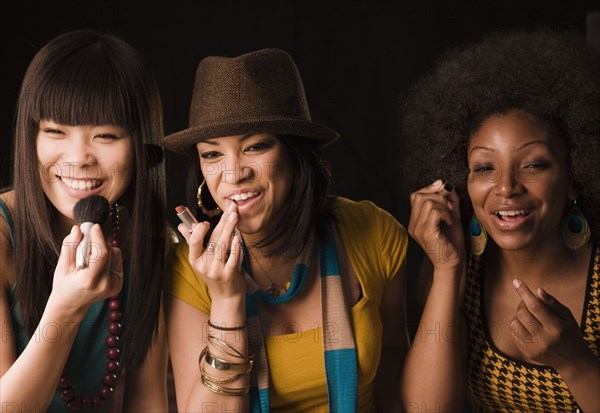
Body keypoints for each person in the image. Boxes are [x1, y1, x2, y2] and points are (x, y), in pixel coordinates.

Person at [162, 48, 408, 412]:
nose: (233, 175)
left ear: (296, 155)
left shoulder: (373, 231)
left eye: (256, 147)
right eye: (212, 155)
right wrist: (227, 302)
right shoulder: (188, 268)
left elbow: (394, 371)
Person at [400, 28, 600, 412]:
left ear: (575, 174)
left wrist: (574, 362)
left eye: (533, 165)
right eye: (485, 167)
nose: (505, 188)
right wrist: (447, 270)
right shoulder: (457, 271)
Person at [0, 29, 169, 411]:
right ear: (31, 136)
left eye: (106, 135)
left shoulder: (147, 239)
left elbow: (148, 401)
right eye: (55, 131)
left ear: (140, 145)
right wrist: (65, 308)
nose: (77, 158)